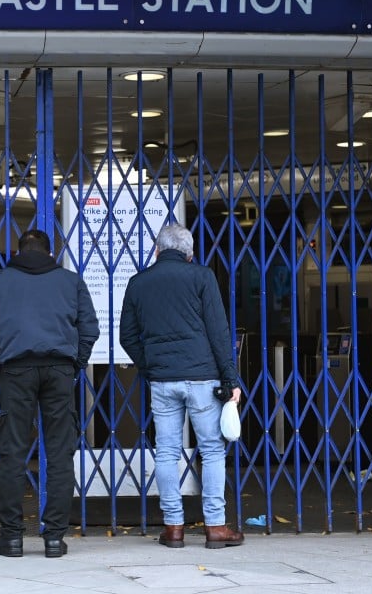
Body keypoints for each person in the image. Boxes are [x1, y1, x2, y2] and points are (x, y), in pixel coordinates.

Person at [118, 223, 245, 549]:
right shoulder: (202, 277)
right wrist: (230, 378)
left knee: (167, 452)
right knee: (213, 450)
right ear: (190, 254)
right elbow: (218, 332)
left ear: (157, 250)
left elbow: (127, 337)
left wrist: (150, 366)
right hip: (203, 378)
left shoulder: (138, 283)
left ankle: (173, 527)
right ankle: (216, 528)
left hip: (163, 381)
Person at [0, 229, 100, 558]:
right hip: (59, 368)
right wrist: (75, 363)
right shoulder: (71, 281)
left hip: (16, 369)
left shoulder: (0, 280)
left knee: (12, 451)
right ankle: (55, 538)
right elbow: (90, 327)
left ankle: (12, 537)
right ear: (50, 252)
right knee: (60, 453)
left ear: (18, 251)